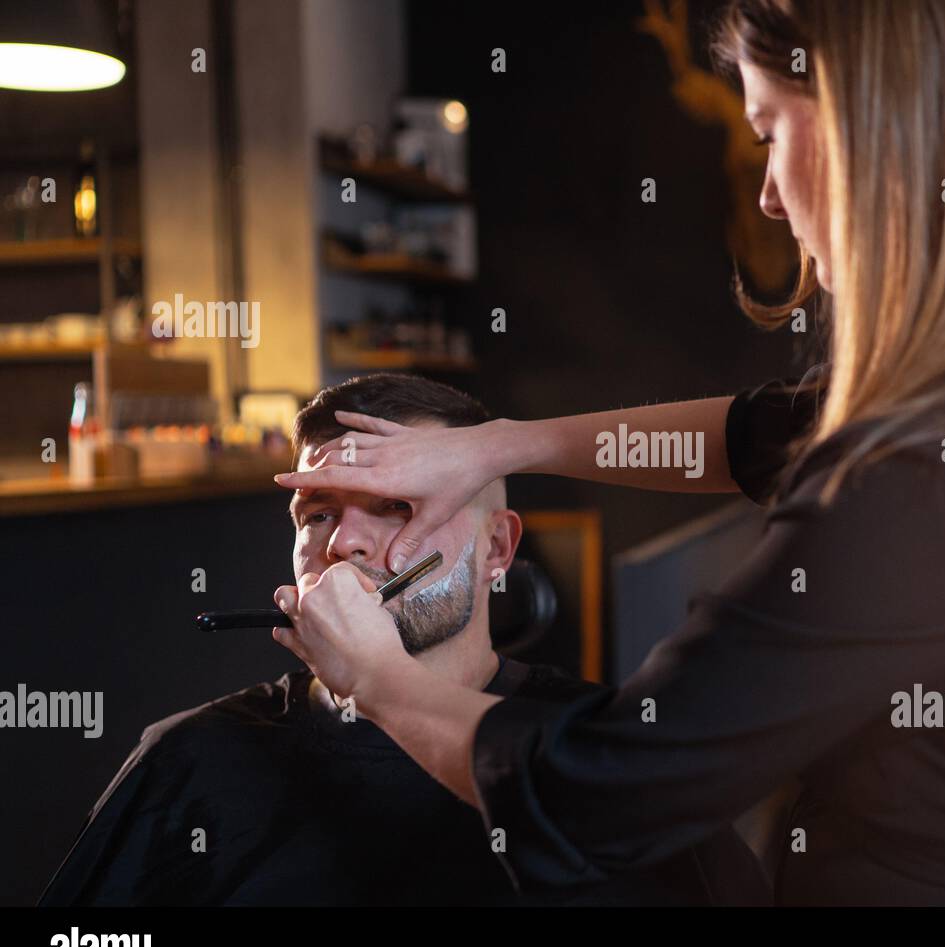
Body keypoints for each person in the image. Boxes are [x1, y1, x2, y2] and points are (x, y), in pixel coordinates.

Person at [271, 0, 945, 905]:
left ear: (876, 129)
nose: (765, 193)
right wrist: (496, 446)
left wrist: (377, 679)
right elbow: (755, 432)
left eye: (769, 134)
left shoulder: (926, 481)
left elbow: (599, 793)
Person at [39, 374, 768, 907]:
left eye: (396, 506)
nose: (346, 542)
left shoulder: (597, 758)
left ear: (497, 547)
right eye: (316, 513)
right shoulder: (189, 762)